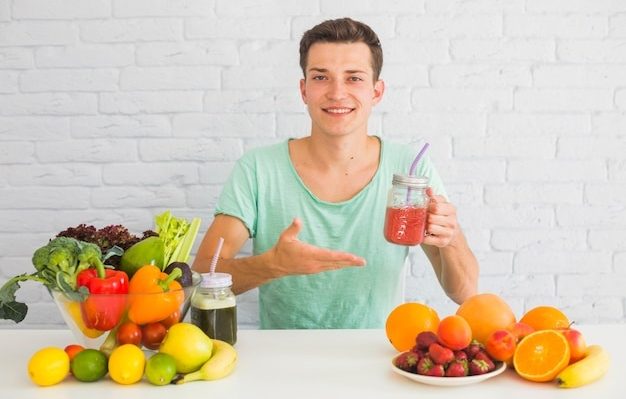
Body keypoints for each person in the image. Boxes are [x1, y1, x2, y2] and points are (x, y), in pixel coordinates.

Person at [193, 17, 478, 329]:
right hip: (283, 363)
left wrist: (451, 239)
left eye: (354, 78)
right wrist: (271, 265)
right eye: (320, 77)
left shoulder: (410, 172)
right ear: (304, 90)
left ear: (377, 91)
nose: (337, 93)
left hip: (381, 360)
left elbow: (463, 292)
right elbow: (201, 275)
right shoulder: (258, 169)